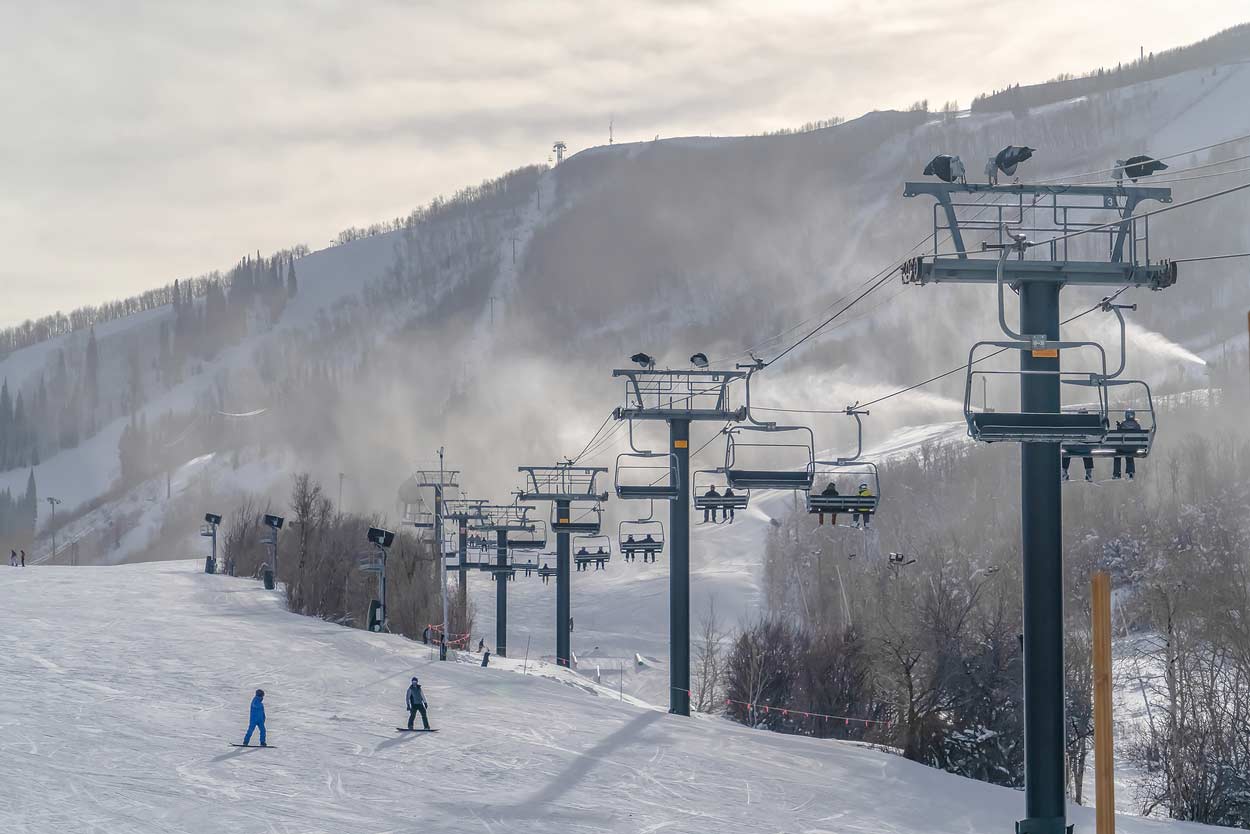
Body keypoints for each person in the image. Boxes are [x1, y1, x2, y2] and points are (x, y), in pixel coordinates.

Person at [1112, 409, 1142, 480]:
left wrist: (1118, 427)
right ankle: (1130, 472)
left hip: (1123, 448)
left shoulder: (1123, 424)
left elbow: (1118, 435)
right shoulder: (1137, 425)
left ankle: (1117, 474)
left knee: (1117, 455)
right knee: (1130, 453)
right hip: (1134, 448)